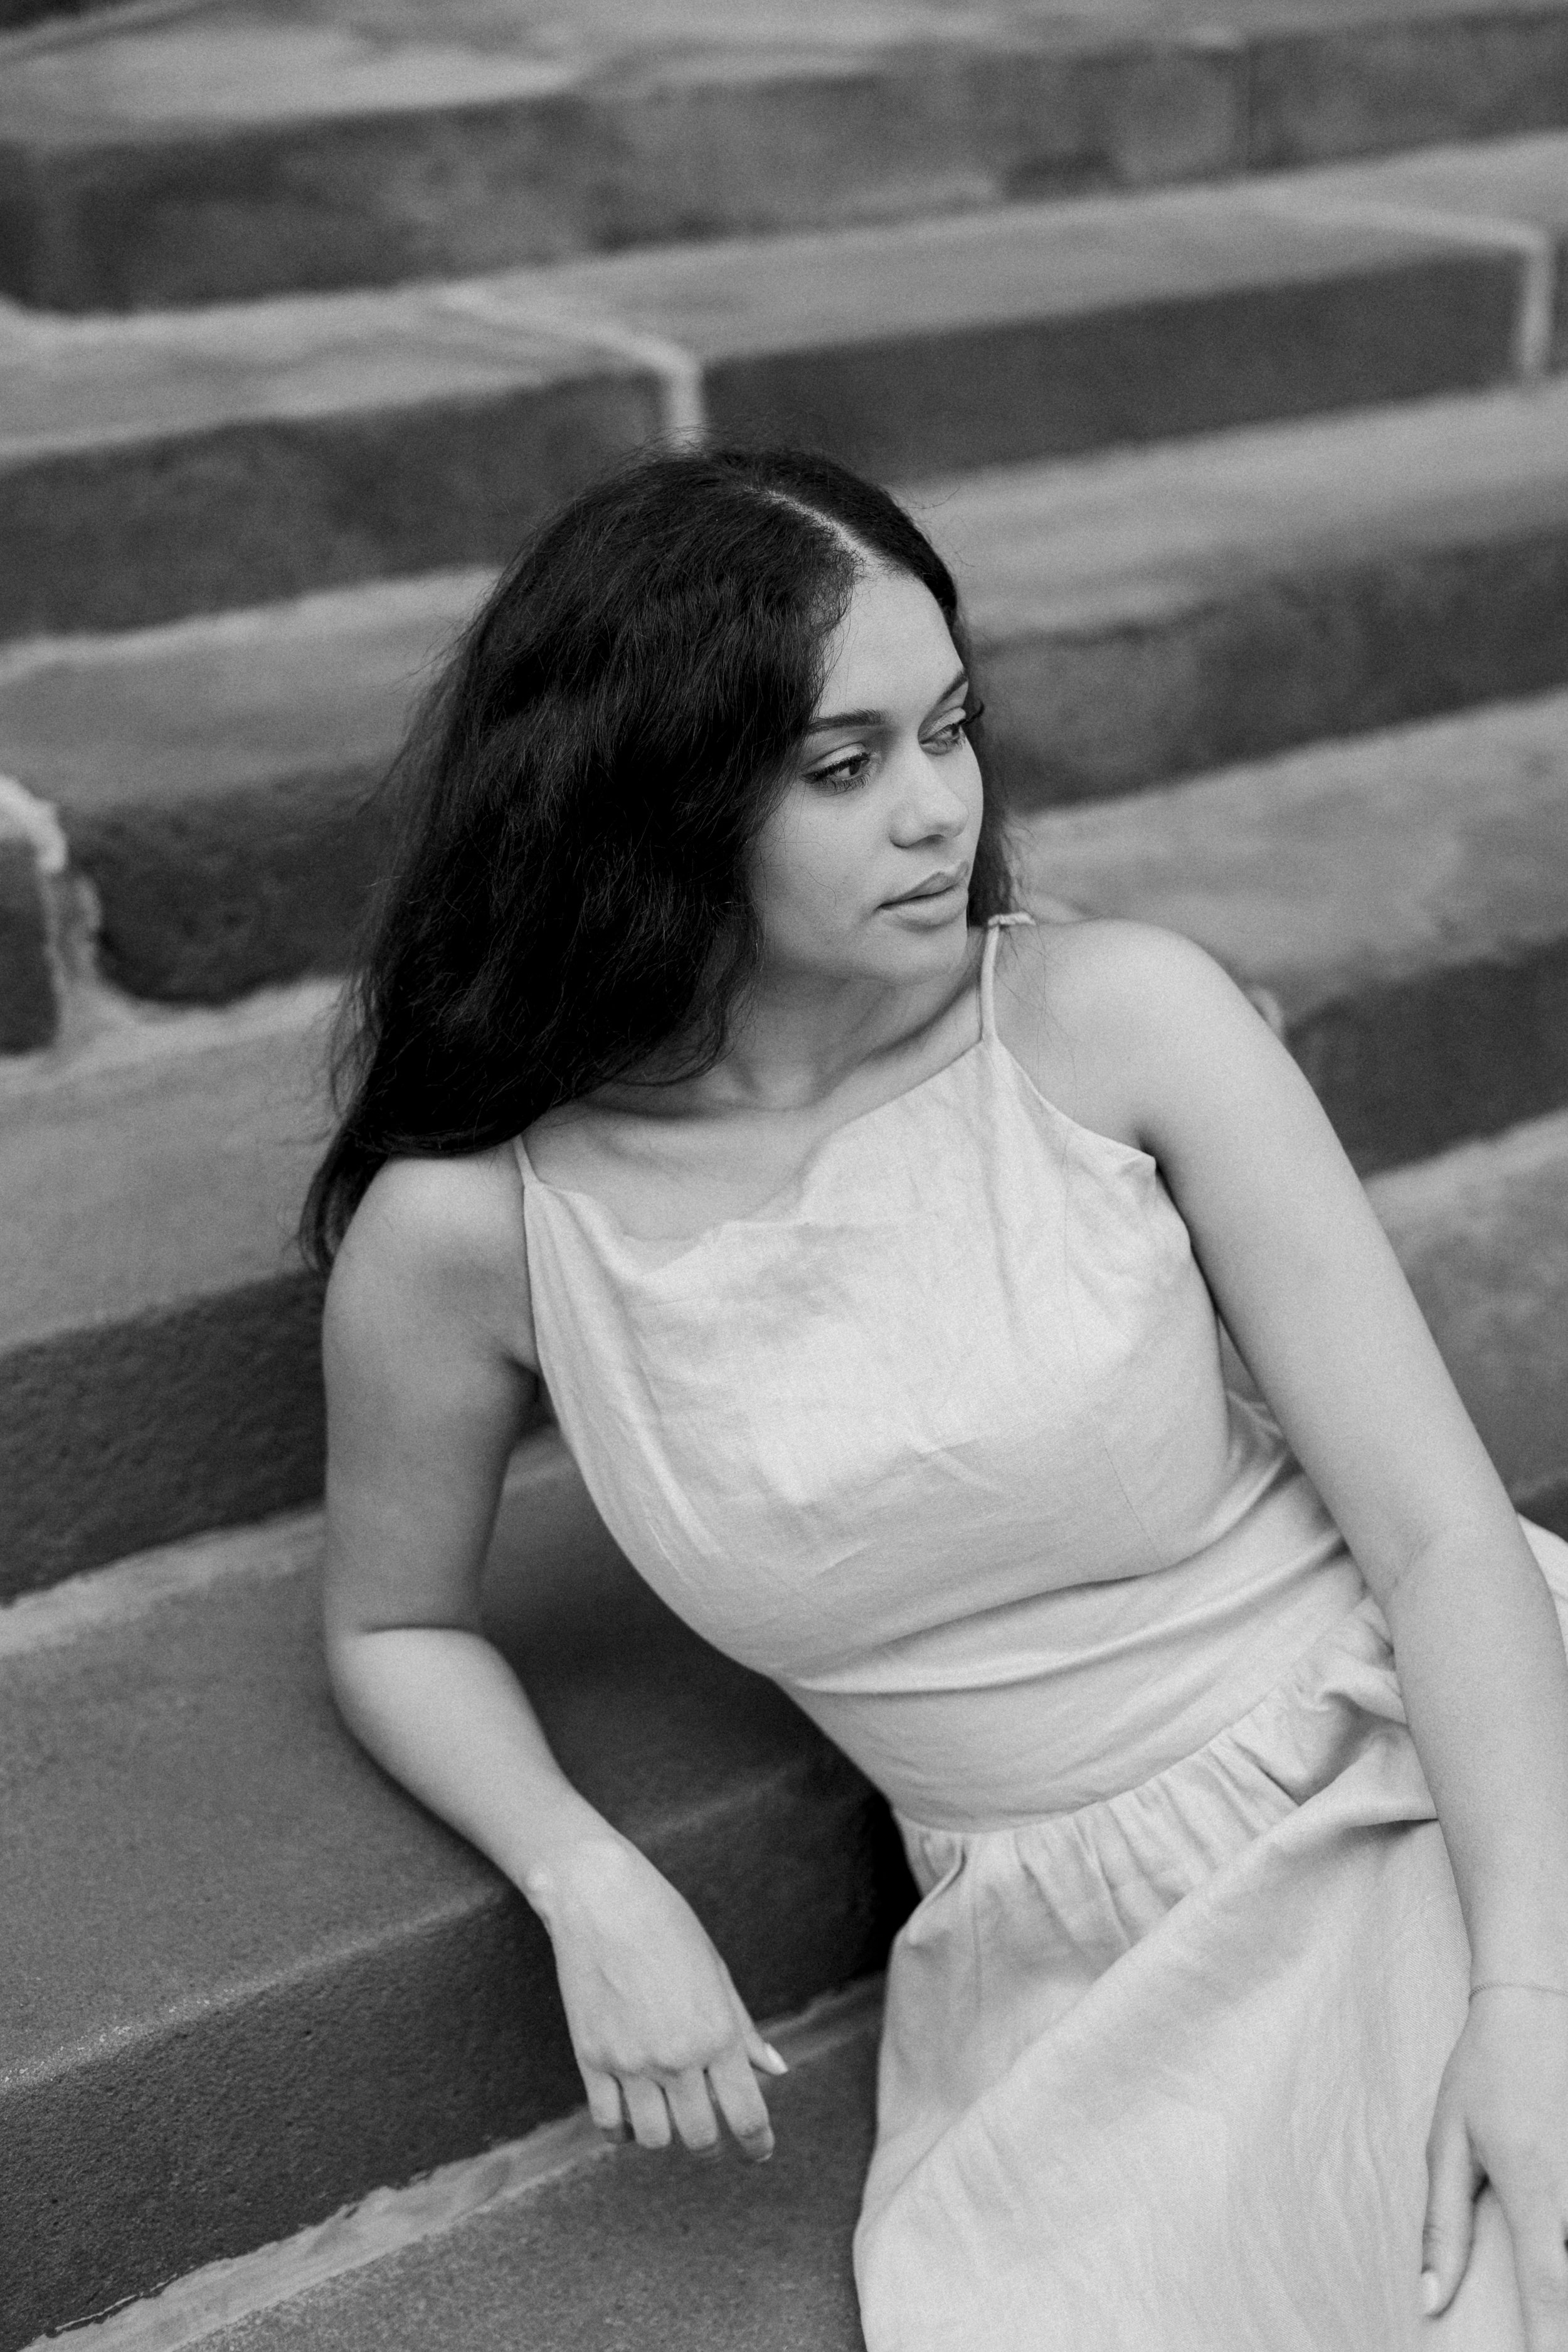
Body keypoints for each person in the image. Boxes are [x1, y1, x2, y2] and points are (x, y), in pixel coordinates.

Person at [305, 443, 1568, 2351]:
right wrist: (588, 1878)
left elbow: (1442, 1534)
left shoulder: (1114, 1019)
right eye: (845, 764)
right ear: (656, 800)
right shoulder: (477, 1235)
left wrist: (1522, 2010)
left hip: (1433, 1777)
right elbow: (392, 1619)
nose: (937, 812)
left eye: (949, 730)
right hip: (1071, 1961)